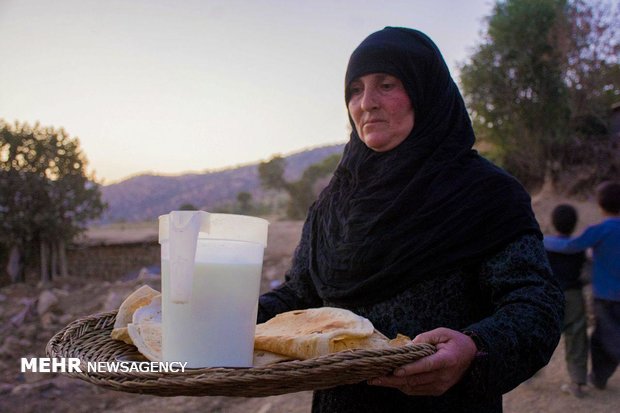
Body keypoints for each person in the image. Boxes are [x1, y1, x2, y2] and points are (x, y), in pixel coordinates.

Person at [258, 27, 564, 413]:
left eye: (386, 85)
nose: (366, 103)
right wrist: (224, 315)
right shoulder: (334, 202)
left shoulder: (486, 193)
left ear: (425, 92)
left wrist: (474, 348)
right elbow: (300, 296)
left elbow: (536, 305)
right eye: (355, 89)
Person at [544, 181, 620, 391]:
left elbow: (570, 246)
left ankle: (598, 376)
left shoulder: (598, 231)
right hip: (594, 296)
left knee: (602, 337)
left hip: (604, 295)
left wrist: (540, 239)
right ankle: (590, 378)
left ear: (600, 205)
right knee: (597, 335)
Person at [545, 204, 588, 397]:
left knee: (541, 333)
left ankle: (528, 372)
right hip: (574, 295)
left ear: (553, 223)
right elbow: (586, 274)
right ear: (574, 224)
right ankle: (577, 381)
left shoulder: (544, 244)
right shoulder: (578, 248)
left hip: (550, 295)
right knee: (577, 336)